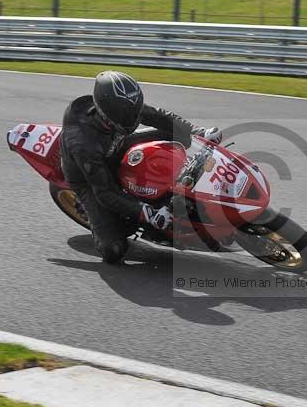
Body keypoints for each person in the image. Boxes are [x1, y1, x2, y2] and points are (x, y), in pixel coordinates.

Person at [61, 70, 222, 264]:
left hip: (116, 145)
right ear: (106, 112)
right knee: (113, 250)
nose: (133, 117)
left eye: (134, 110)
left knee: (172, 131)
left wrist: (199, 132)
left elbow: (158, 116)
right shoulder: (82, 141)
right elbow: (105, 192)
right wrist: (146, 212)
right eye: (126, 114)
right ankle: (103, 220)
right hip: (88, 178)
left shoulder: (122, 108)